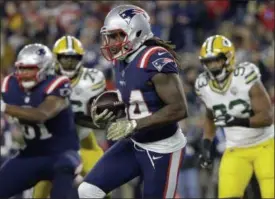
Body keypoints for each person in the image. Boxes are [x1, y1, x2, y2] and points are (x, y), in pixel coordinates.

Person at [78, 4, 189, 198]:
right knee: (88, 190)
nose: (111, 42)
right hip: (135, 142)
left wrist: (134, 124)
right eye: (109, 36)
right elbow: (137, 102)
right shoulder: (120, 59)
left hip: (163, 148)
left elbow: (179, 109)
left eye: (116, 36)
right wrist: (109, 115)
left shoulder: (154, 58)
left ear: (136, 32)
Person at [195, 35, 274, 198]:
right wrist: (206, 145)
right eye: (208, 62)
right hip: (235, 148)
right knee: (227, 194)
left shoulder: (244, 76)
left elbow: (267, 117)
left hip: (265, 144)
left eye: (216, 60)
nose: (213, 66)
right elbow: (210, 117)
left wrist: (236, 120)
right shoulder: (203, 86)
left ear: (229, 57)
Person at [0, 43, 81, 199]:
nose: (24, 73)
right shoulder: (9, 84)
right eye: (21, 68)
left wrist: (4, 107)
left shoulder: (58, 84)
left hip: (61, 154)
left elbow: (42, 114)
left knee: (62, 189)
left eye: (30, 68)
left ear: (45, 68)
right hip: (31, 155)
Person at [32, 36, 107, 198]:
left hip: (84, 141)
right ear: (55, 58)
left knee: (104, 183)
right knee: (40, 191)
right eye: (65, 59)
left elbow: (102, 121)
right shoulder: (44, 79)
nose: (69, 63)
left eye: (73, 59)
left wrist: (84, 117)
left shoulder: (92, 80)